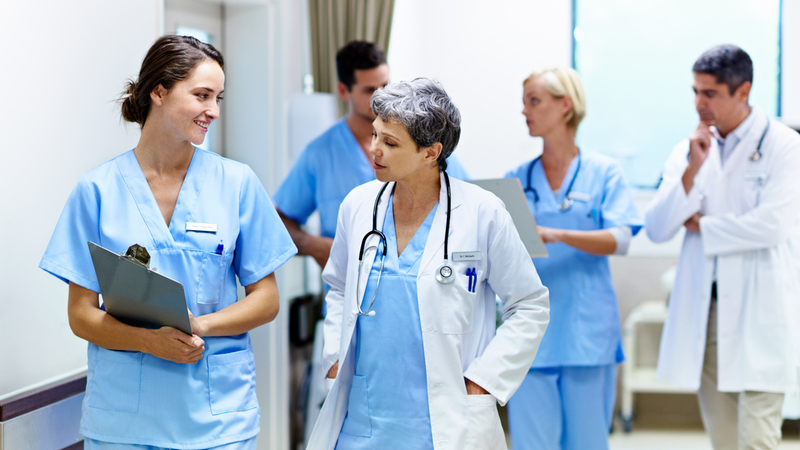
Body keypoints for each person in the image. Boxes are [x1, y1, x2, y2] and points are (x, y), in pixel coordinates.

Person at [39, 35, 297, 449]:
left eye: (218, 98)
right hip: (124, 423)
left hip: (217, 422)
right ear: (159, 91)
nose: (213, 111)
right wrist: (148, 341)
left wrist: (201, 326)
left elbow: (266, 299)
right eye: (202, 95)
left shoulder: (237, 183)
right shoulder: (97, 191)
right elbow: (81, 315)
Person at [305, 78, 550, 450]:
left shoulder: (482, 213)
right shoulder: (358, 205)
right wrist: (335, 357)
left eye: (390, 142)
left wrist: (484, 380)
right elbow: (338, 286)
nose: (374, 150)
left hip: (446, 420)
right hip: (362, 418)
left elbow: (530, 304)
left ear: (430, 153)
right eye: (375, 135)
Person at [645, 45, 800, 449]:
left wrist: (703, 226)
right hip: (707, 316)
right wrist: (692, 170)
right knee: (725, 441)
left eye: (709, 93)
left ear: (742, 91)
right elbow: (658, 228)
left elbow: (772, 225)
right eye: (695, 91)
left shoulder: (784, 146)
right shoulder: (688, 150)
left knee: (757, 440)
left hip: (761, 311)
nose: (699, 103)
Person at [504, 67, 643, 450]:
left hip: (586, 333)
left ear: (565, 106)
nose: (525, 111)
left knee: (586, 443)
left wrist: (556, 233)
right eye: (524, 102)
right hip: (530, 333)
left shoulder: (604, 173)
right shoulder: (515, 179)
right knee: (533, 444)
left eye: (534, 101)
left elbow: (621, 238)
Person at [272, 40, 469, 270]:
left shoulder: (421, 145)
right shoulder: (320, 154)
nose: (381, 96)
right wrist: (317, 246)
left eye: (385, 85)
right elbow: (278, 221)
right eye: (369, 90)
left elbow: (469, 208)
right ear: (344, 91)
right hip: (347, 295)